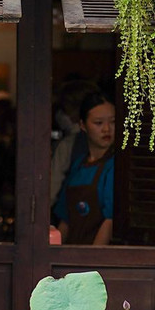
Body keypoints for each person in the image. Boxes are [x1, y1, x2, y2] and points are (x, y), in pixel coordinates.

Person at [53, 90, 116, 246]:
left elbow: (110, 221)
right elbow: (66, 219)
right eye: (98, 123)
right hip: (73, 254)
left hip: (96, 260)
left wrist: (92, 260)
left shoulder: (114, 165)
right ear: (83, 125)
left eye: (113, 122)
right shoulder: (79, 164)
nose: (107, 129)